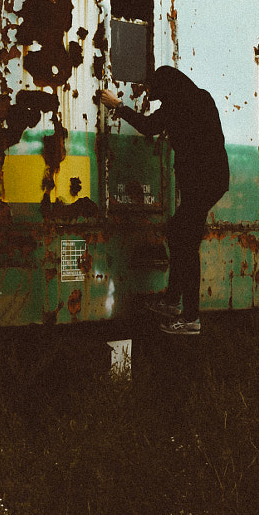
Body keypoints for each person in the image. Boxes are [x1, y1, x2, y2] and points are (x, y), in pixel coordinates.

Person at [96, 66, 229, 335]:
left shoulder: (177, 106)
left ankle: (190, 317)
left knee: (186, 246)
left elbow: (148, 127)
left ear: (168, 89)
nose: (157, 98)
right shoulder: (200, 98)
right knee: (178, 233)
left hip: (202, 183)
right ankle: (172, 302)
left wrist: (117, 105)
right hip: (211, 181)